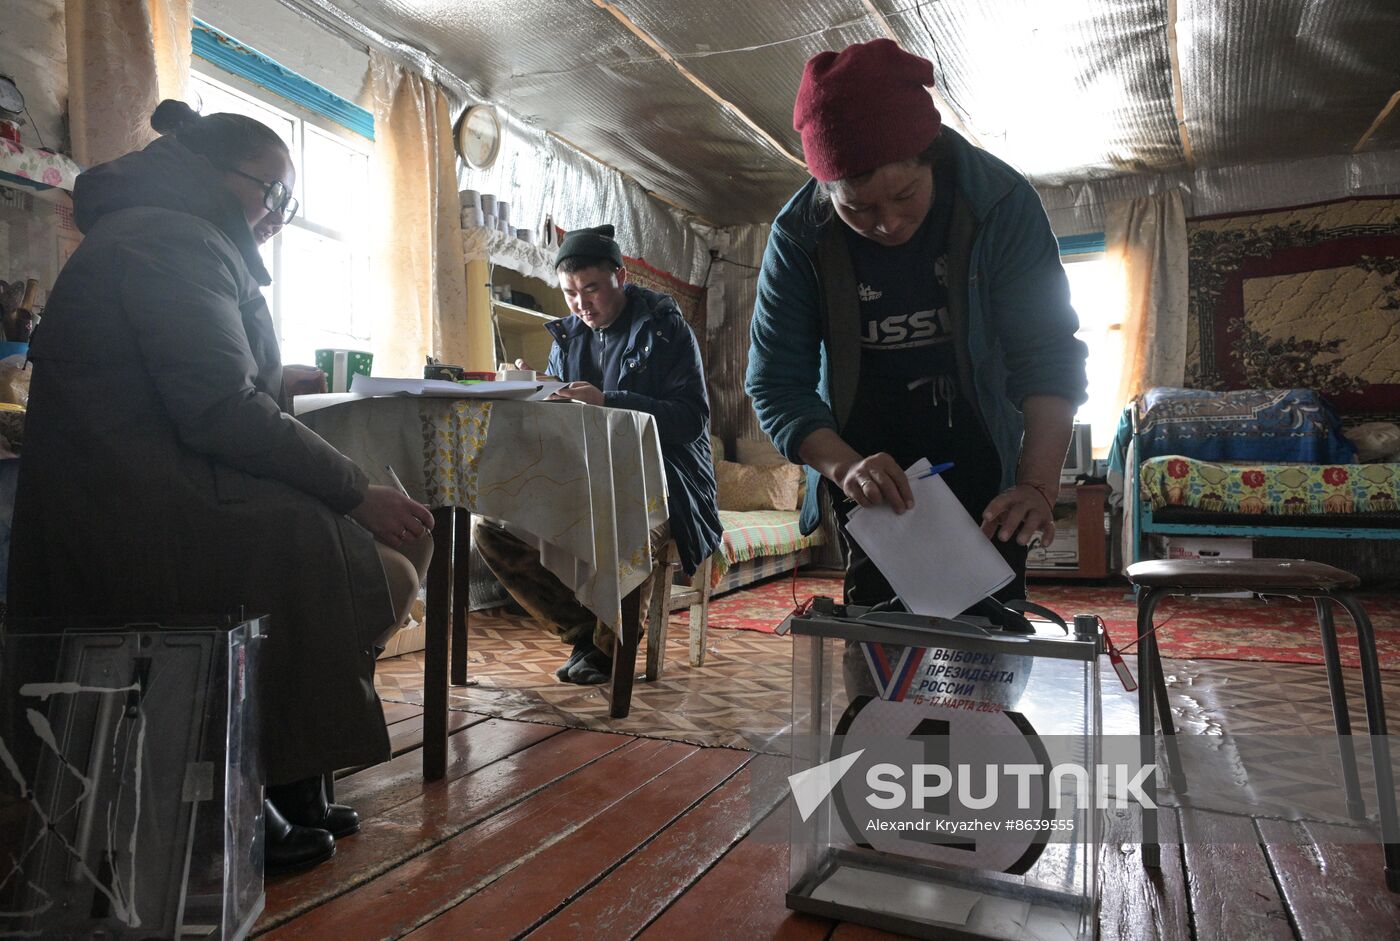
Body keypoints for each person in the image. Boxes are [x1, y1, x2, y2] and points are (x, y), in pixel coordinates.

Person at [8, 100, 434, 874]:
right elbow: (215, 409)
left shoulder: (184, 234)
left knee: (382, 537)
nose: (278, 213)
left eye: (288, 202)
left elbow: (203, 383)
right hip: (125, 511)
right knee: (326, 540)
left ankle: (297, 767)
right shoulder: (169, 237)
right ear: (211, 172)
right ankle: (250, 784)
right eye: (270, 191)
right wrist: (351, 491)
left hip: (157, 485)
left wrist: (278, 376)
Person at [745, 39, 1089, 619]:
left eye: (905, 195)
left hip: (983, 453)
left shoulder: (999, 203)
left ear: (932, 157)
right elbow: (777, 384)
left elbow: (1048, 356)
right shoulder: (800, 236)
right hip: (864, 467)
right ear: (827, 194)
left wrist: (1035, 487)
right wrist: (845, 466)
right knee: (879, 640)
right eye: (857, 209)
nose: (887, 223)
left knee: (986, 638)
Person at [475, 225, 722, 684]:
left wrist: (609, 400)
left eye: (591, 289)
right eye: (569, 293)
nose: (581, 304)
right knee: (491, 530)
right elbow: (559, 421)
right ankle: (586, 634)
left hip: (666, 478)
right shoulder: (567, 338)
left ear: (621, 278)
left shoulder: (667, 330)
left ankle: (610, 653)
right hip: (584, 475)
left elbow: (690, 420)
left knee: (631, 525)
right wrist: (537, 391)